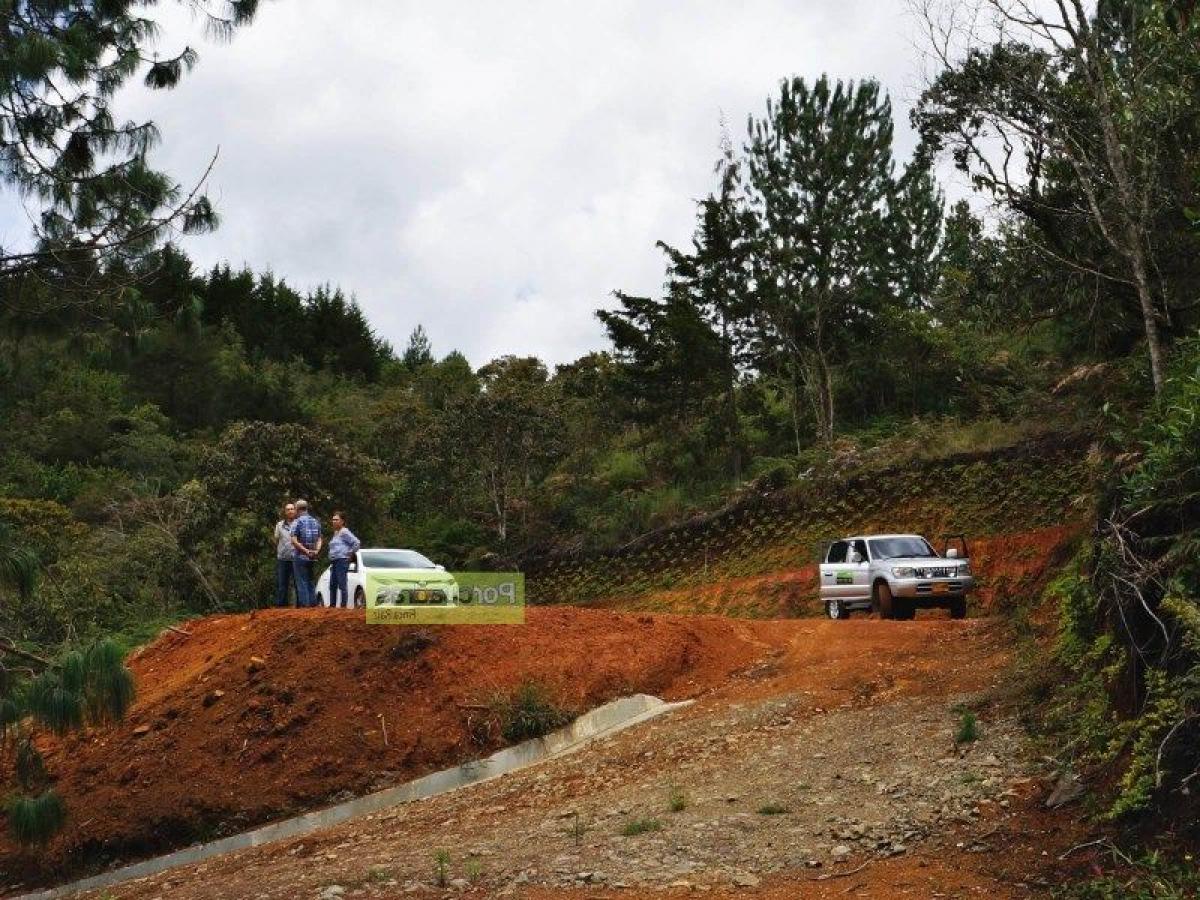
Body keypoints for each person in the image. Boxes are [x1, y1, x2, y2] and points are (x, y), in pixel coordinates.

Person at [290, 499, 323, 608]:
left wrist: (305, 551)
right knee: (310, 580)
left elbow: (294, 540)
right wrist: (316, 551)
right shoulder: (315, 521)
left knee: (302, 582)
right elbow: (319, 539)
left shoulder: (297, 522)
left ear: (297, 509)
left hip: (300, 556)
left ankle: (305, 607)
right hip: (313, 557)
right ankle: (313, 605)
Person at [327, 510, 362, 609]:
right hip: (334, 561)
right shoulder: (336, 533)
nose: (334, 521)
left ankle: (343, 606)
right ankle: (332, 605)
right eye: (333, 520)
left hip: (341, 560)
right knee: (333, 583)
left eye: (336, 520)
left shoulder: (344, 531)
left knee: (342, 583)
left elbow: (356, 542)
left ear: (342, 521)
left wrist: (350, 554)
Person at [273, 502, 297, 607]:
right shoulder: (279, 525)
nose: (290, 511)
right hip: (283, 558)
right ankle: (281, 606)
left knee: (297, 583)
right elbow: (276, 539)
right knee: (282, 584)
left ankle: (300, 606)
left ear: (295, 511)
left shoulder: (299, 523)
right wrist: (280, 550)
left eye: (292, 509)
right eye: (288, 509)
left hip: (296, 558)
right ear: (285, 512)